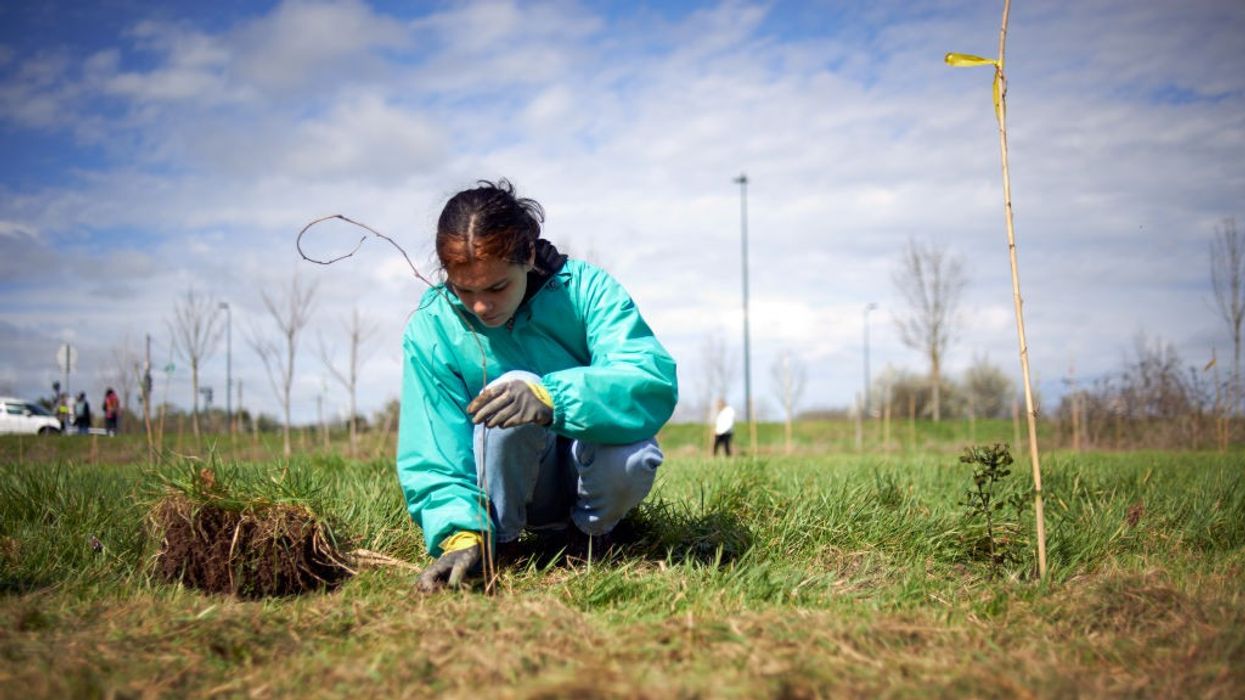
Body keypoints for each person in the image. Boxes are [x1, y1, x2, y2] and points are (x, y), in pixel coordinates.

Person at [397, 179, 678, 592]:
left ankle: (589, 537)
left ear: (527, 254)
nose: (480, 306)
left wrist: (552, 399)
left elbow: (647, 377)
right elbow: (434, 448)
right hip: (502, 495)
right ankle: (498, 544)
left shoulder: (586, 290)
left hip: (586, 471)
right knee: (511, 386)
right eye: (464, 290)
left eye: (497, 287)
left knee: (635, 454)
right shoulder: (433, 326)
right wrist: (458, 534)